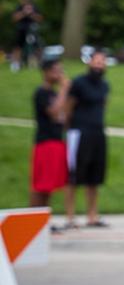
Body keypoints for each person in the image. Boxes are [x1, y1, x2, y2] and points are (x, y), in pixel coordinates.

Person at [65, 50, 111, 228]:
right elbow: (69, 108)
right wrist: (70, 129)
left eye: (102, 62)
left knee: (95, 177)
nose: (99, 65)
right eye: (96, 61)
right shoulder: (78, 83)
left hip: (98, 132)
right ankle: (70, 216)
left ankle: (92, 215)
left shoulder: (105, 85)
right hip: (79, 132)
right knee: (74, 175)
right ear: (89, 63)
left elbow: (104, 105)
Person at [30, 59, 70, 208]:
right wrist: (64, 89)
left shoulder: (54, 93)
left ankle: (42, 220)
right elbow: (53, 112)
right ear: (46, 72)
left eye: (61, 70)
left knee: (49, 187)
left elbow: (64, 116)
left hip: (57, 141)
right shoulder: (41, 92)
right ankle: (32, 219)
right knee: (40, 186)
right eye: (56, 70)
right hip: (45, 142)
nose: (59, 74)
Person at [11, 0, 43, 71]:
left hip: (32, 29)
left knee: (37, 46)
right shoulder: (19, 8)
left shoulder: (34, 8)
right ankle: (16, 64)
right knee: (18, 46)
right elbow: (14, 18)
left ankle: (41, 63)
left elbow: (40, 19)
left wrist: (31, 13)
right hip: (21, 29)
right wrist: (24, 13)